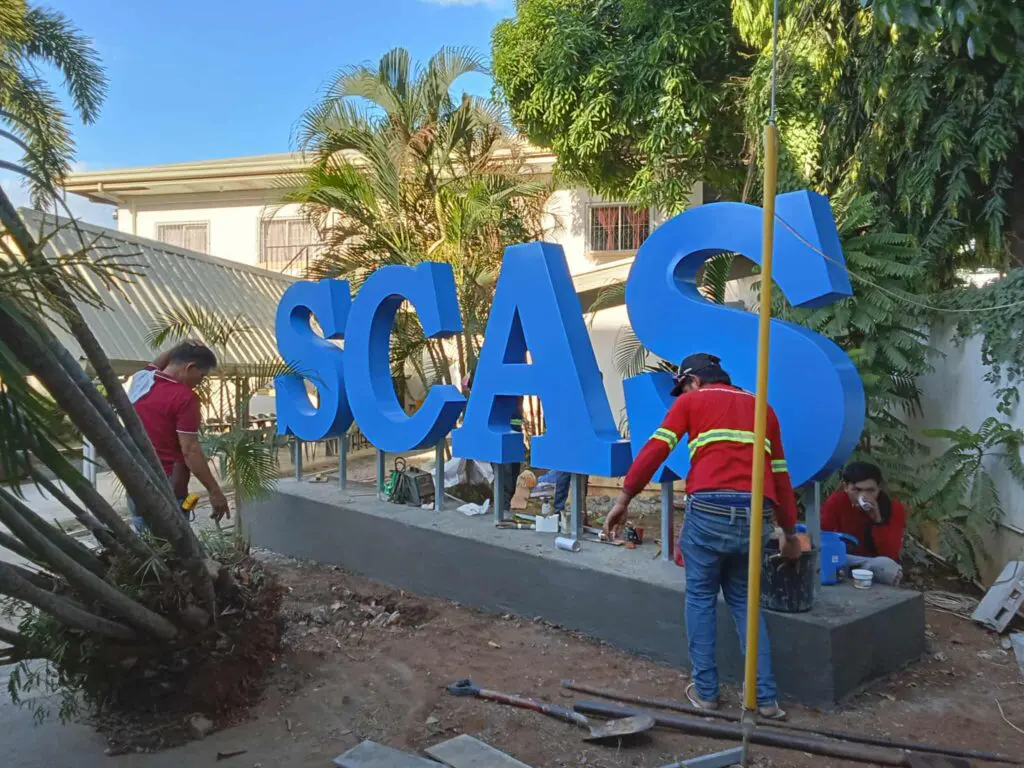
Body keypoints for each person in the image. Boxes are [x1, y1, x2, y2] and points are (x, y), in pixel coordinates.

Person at [603, 353, 800, 719]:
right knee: (745, 602)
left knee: (701, 597)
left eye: (681, 388)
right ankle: (766, 698)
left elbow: (655, 450)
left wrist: (625, 497)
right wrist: (789, 532)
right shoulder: (763, 409)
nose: (681, 394)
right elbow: (781, 477)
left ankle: (707, 694)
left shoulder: (693, 402)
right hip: (757, 512)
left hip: (708, 510)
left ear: (693, 381)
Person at [128, 342, 230, 530]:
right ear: (190, 367)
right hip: (167, 480)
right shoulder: (184, 397)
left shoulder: (141, 381)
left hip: (135, 474)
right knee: (174, 541)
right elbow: (189, 450)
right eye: (201, 376)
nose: (200, 382)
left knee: (143, 533)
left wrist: (180, 346)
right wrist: (214, 491)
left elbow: (156, 364)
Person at [821, 461, 905, 586]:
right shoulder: (837, 501)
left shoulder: (894, 508)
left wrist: (877, 520)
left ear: (879, 488)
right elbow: (822, 534)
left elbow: (890, 554)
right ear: (846, 487)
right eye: (857, 490)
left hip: (873, 563)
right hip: (846, 559)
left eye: (871, 490)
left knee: (887, 566)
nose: (864, 495)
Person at [462, 372, 521, 510]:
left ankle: (505, 502)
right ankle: (503, 505)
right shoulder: (488, 388)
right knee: (505, 471)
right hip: (500, 432)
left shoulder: (506, 381)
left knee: (512, 471)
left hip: (512, 428)